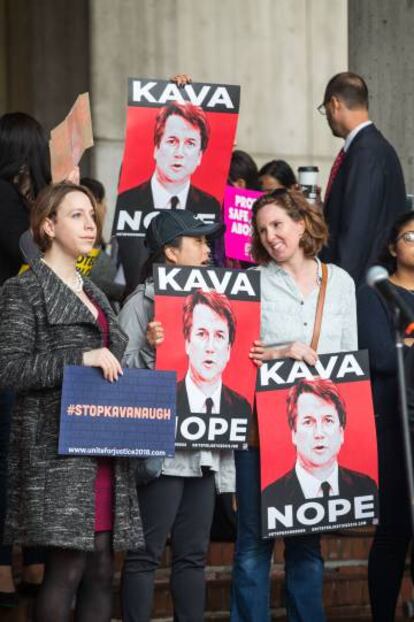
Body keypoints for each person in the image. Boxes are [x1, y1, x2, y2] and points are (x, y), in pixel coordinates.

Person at [0, 182, 143, 621]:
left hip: (102, 448)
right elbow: (9, 369)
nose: (89, 223)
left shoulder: (95, 291)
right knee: (67, 568)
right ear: (48, 225)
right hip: (56, 453)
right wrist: (80, 357)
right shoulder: (22, 290)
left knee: (101, 569)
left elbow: (112, 362)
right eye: (76, 215)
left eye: (91, 214)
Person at [230, 188, 357, 622]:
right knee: (252, 545)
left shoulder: (340, 282)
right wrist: (285, 352)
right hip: (261, 430)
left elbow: (350, 362)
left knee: (307, 543)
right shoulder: (250, 283)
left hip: (317, 433)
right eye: (262, 229)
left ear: (302, 223)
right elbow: (241, 357)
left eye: (277, 225)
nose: (270, 236)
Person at [119, 210, 236, 622]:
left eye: (208, 242)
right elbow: (119, 374)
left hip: (204, 448)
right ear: (171, 251)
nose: (208, 249)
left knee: (193, 556)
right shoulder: (140, 303)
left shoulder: (220, 300)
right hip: (162, 450)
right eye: (198, 242)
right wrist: (152, 348)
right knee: (145, 554)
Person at [0, 111, 51, 606]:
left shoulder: (26, 201)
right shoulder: (6, 200)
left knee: (29, 455)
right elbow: (30, 256)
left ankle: (33, 562)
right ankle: (6, 569)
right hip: (12, 346)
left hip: (30, 345)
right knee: (9, 457)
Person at [357, 210, 414, 621]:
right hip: (395, 427)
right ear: (393, 247)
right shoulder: (377, 293)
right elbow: (381, 356)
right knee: (395, 529)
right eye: (411, 237)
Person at [115, 101, 221, 290]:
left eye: (190, 143)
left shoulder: (210, 204)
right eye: (172, 141)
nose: (179, 153)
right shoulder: (127, 200)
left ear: (200, 156)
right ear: (156, 148)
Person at [318, 71, 406, 286]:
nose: (327, 116)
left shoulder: (365, 153)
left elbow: (356, 232)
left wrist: (338, 292)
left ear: (334, 104)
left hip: (357, 288)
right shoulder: (375, 148)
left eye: (325, 110)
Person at [262, 378, 377, 508]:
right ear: (294, 433)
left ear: (341, 433)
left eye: (328, 420)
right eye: (308, 422)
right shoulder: (271, 496)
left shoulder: (366, 487)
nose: (319, 434)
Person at [177, 289, 251, 420]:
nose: (210, 347)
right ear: (187, 343)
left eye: (219, 336)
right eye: (201, 334)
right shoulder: (165, 399)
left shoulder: (242, 408)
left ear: (228, 350)